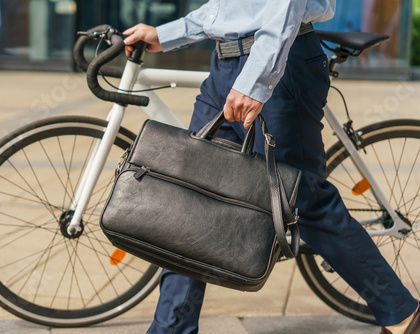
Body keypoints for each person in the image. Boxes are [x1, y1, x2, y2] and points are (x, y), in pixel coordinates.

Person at [122, 1, 419, 333]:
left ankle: (402, 313)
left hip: (278, 65)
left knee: (303, 201)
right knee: (192, 202)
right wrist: (168, 32)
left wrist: (255, 80)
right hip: (225, 65)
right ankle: (170, 329)